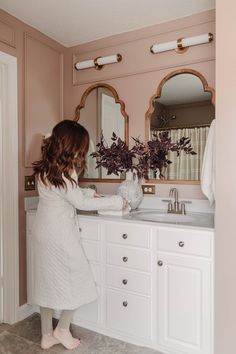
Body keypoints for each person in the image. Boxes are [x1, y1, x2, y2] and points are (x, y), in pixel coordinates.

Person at [32, 120, 125, 350]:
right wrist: (118, 201)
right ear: (71, 145)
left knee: (47, 282)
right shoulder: (65, 173)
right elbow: (79, 202)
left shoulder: (45, 169)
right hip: (60, 236)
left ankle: (46, 334)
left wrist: (88, 192)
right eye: (81, 148)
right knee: (80, 279)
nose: (83, 152)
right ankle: (62, 329)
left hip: (42, 233)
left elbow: (66, 193)